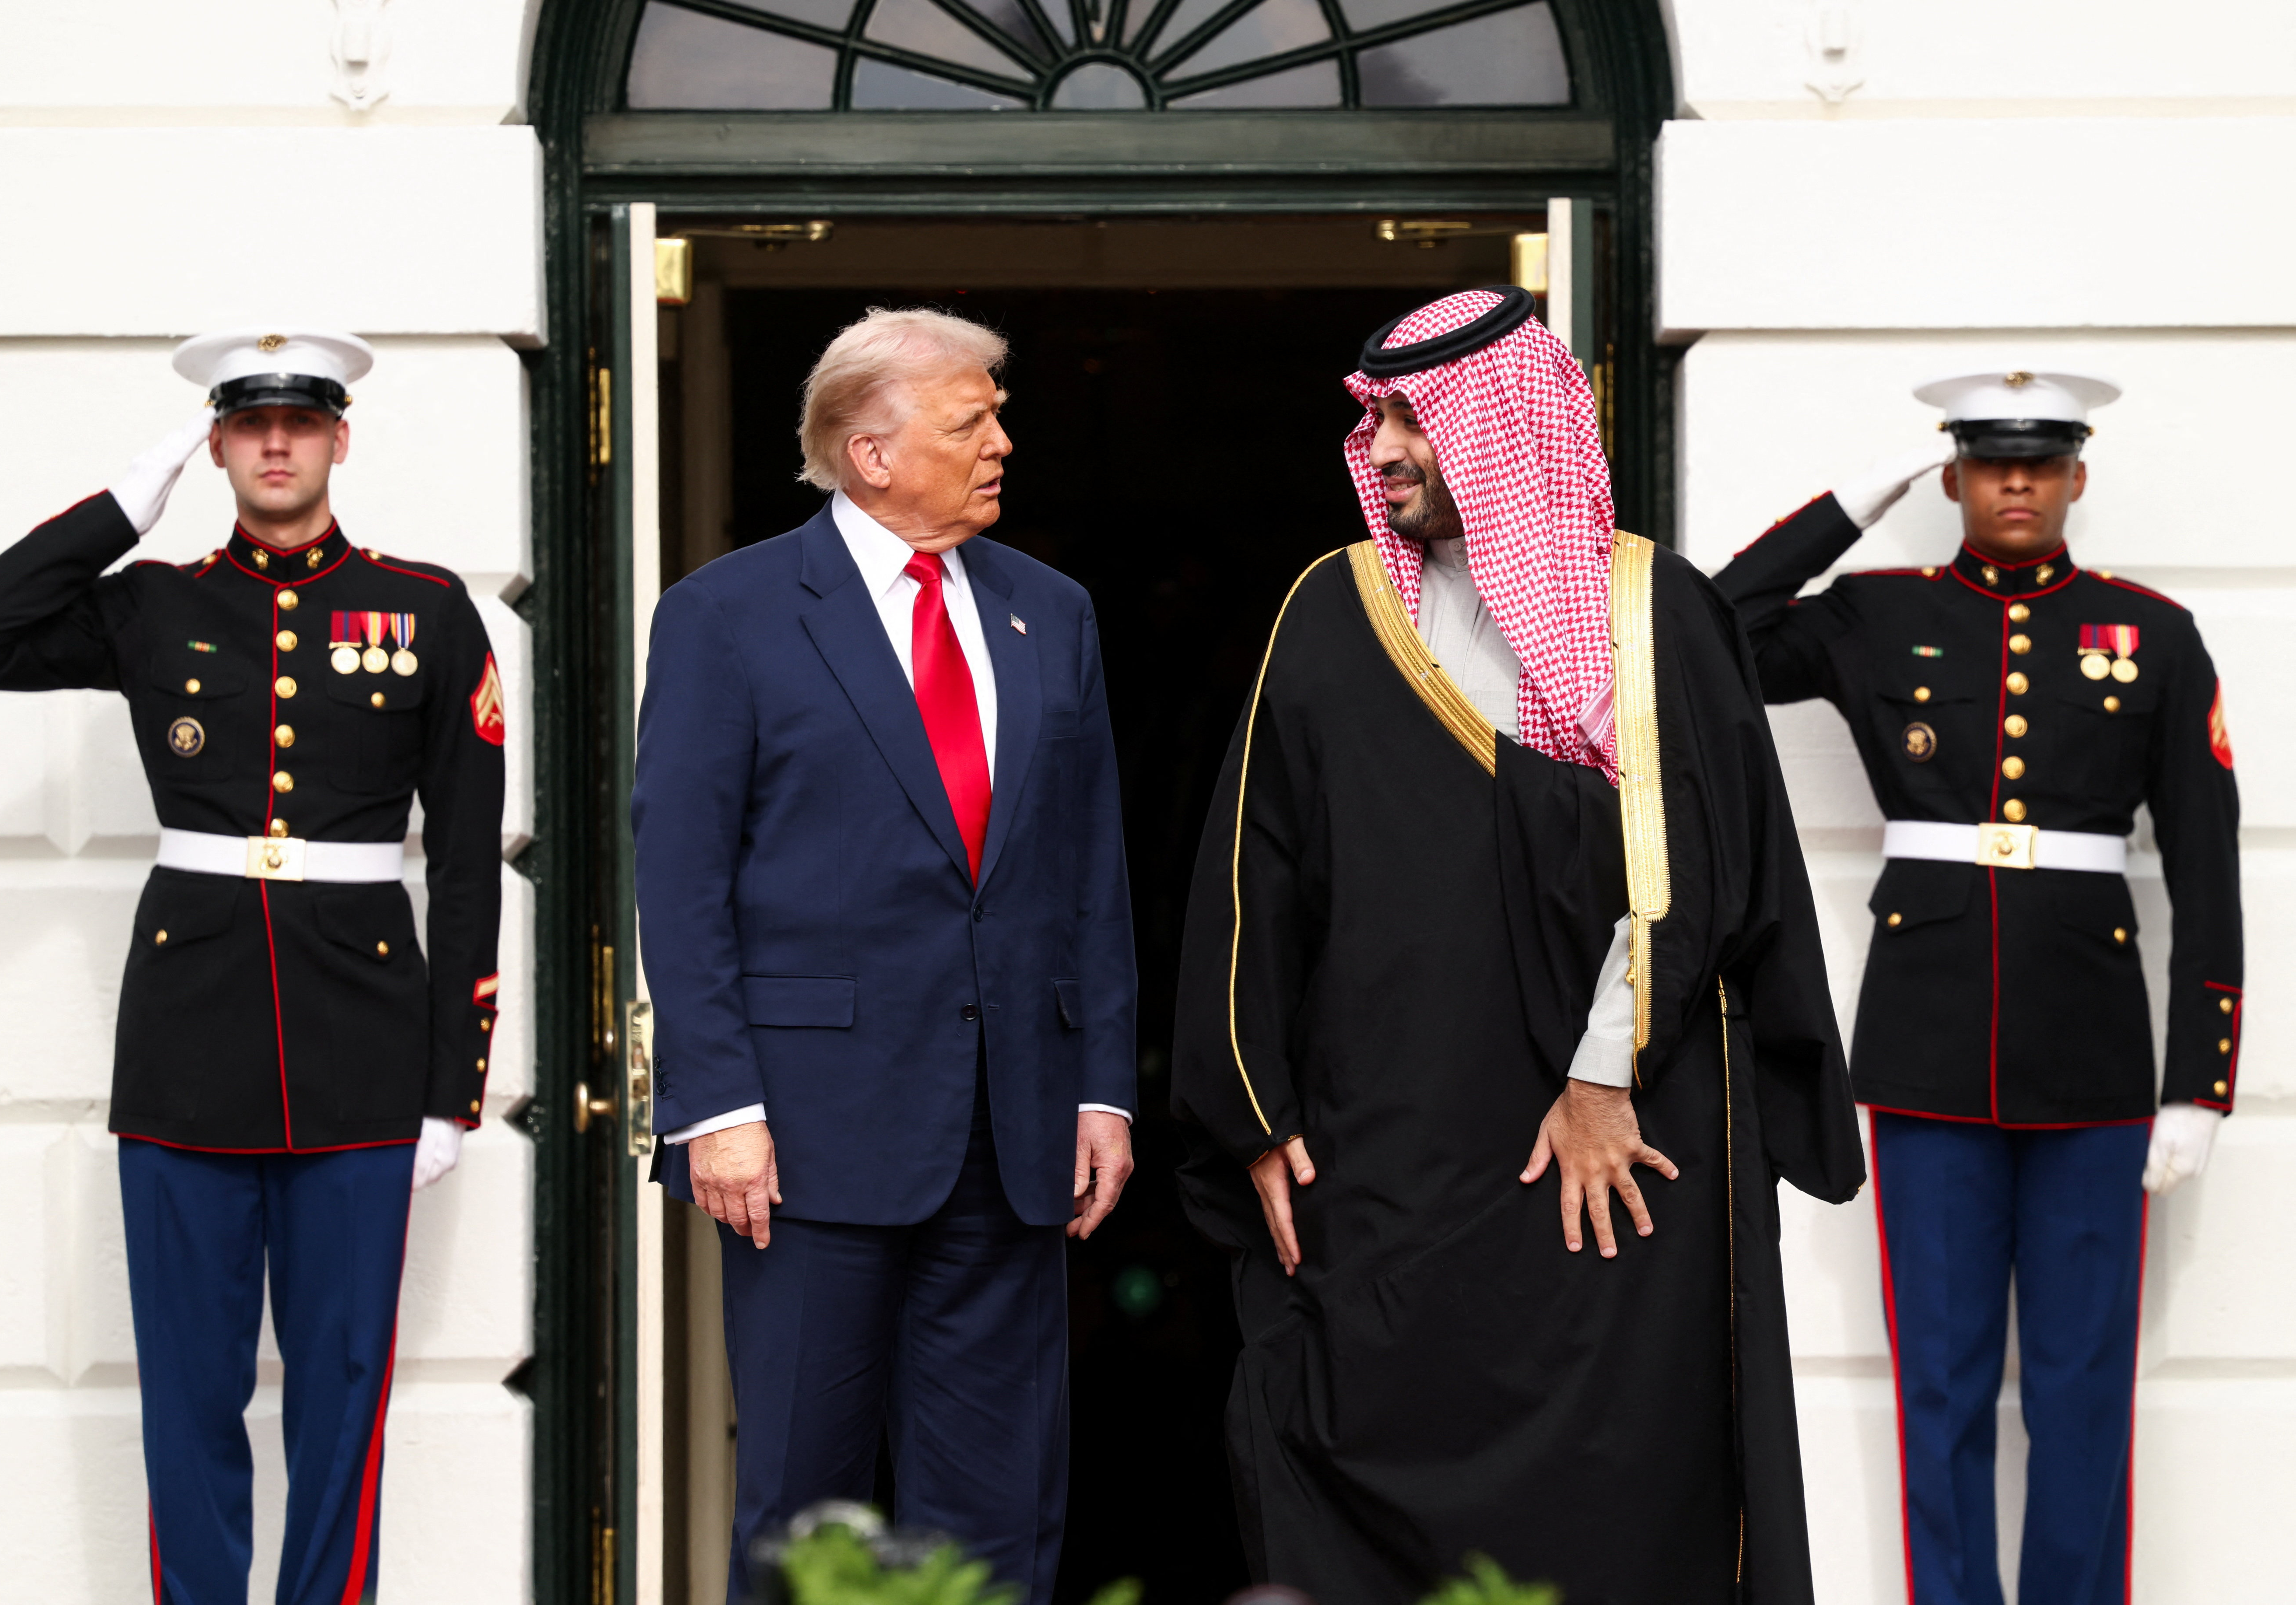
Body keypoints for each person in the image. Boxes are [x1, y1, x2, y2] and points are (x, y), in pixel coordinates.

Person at [1170, 287, 1865, 1605]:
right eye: (1372, 421)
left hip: (1611, 1148)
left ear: (1499, 424)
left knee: (1624, 1480)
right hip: (1393, 1148)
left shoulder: (1653, 611)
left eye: (1411, 422)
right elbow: (1251, 879)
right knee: (1346, 1435)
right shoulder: (1331, 607)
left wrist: (1602, 1074)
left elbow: (1703, 871)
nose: (1379, 454)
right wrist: (1253, 1116)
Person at [0, 329, 505, 1602]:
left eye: (300, 421)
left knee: (344, 1389)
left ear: (341, 437)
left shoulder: (429, 610)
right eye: (247, 424)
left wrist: (452, 1086)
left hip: (364, 1049)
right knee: (187, 1386)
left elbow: (465, 864)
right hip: (188, 1040)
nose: (276, 443)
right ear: (219, 443)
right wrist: (127, 502)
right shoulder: (152, 603)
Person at [633, 307, 1137, 1604]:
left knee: (999, 1507)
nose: (1001, 444)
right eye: (971, 421)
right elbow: (680, 880)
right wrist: (719, 1106)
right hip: (803, 1139)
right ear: (869, 451)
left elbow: (1087, 868)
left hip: (1013, 1135)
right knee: (805, 1504)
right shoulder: (726, 615)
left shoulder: (1051, 610)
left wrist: (1100, 1086)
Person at [1712, 371, 2240, 1605]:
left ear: (2076, 477)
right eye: (1991, 460)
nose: (2017, 481)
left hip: (2098, 1060)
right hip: (1929, 1048)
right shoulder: (1873, 617)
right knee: (1939, 1382)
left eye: (2042, 461)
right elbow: (1708, 626)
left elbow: (2207, 871)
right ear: (1949, 476)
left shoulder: (2150, 635)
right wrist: (1847, 505)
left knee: (2080, 1387)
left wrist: (2196, 1087)